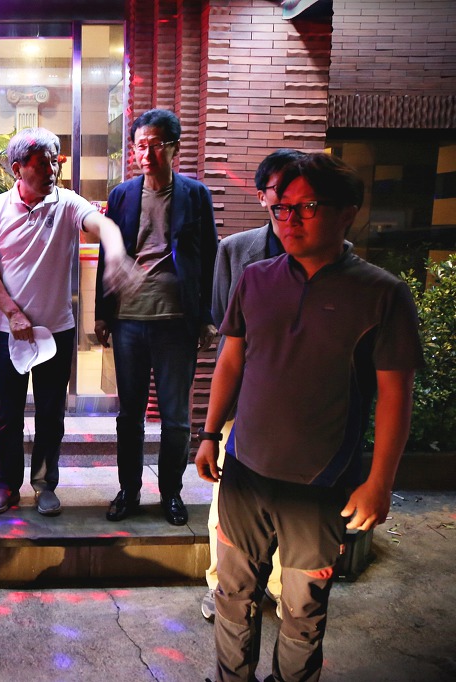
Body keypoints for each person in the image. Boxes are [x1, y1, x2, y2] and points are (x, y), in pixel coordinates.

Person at [195, 153, 422, 681]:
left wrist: (379, 482)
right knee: (233, 596)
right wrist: (208, 434)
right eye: (281, 208)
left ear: (347, 212)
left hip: (320, 483)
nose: (289, 219)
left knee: (301, 612)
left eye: (307, 207)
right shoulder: (255, 279)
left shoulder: (382, 294)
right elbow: (231, 360)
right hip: (244, 472)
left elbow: (396, 395)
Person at [0, 127, 137, 517]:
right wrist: (13, 313)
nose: (51, 170)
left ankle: (45, 485)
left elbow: (103, 225)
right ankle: (6, 486)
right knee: (8, 415)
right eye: (41, 163)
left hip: (57, 330)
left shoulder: (67, 202)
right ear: (17, 168)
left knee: (51, 414)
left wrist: (116, 254)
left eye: (54, 161)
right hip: (9, 331)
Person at [96, 107, 218, 527]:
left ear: (174, 148)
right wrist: (102, 313)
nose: (146, 154)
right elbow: (108, 255)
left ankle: (171, 493)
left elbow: (209, 257)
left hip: (176, 321)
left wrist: (206, 316)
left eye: (156, 145)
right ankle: (128, 491)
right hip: (129, 320)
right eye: (140, 146)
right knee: (129, 416)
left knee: (175, 417)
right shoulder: (122, 195)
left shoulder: (195, 194)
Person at [200, 149, 305, 623]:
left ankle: (283, 589)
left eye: (300, 196)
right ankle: (222, 584)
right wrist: (210, 425)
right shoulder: (235, 251)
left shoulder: (333, 257)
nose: (288, 204)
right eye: (278, 192)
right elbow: (228, 329)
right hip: (244, 400)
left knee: (291, 505)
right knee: (229, 501)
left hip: (302, 406)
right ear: (263, 196)